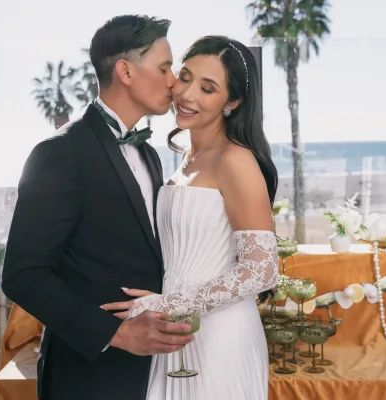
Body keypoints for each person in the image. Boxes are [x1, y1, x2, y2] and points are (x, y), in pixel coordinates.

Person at [1, 15, 194, 400]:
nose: (174, 80)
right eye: (164, 67)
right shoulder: (59, 153)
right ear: (125, 70)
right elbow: (22, 274)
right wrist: (118, 334)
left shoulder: (149, 154)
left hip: (150, 372)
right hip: (86, 376)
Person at [102, 36, 279, 400]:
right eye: (185, 77)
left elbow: (262, 270)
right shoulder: (186, 159)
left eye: (208, 88)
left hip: (220, 338)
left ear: (233, 102)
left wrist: (165, 304)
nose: (187, 94)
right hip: (176, 331)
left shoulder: (235, 160)